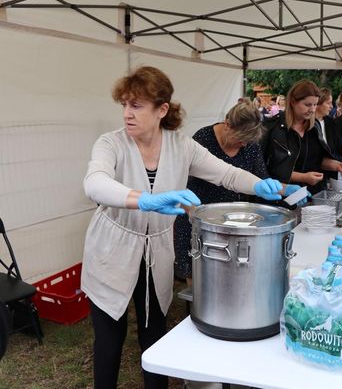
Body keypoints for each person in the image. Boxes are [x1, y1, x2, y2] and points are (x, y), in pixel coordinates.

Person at [81, 66, 289, 389]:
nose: (127, 113)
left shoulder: (181, 146)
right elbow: (94, 183)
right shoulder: (111, 143)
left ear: (162, 109)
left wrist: (258, 184)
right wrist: (144, 200)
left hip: (157, 252)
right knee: (109, 341)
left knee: (155, 336)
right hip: (113, 250)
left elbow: (226, 173)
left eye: (136, 105)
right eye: (124, 105)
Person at [174, 103, 303, 283]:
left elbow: (259, 179)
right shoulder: (202, 139)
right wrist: (193, 213)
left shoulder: (250, 145)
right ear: (228, 125)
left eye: (248, 141)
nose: (244, 144)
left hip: (232, 222)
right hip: (197, 218)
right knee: (198, 276)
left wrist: (285, 189)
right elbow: (187, 179)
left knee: (229, 277)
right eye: (241, 139)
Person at [260, 79, 342, 195]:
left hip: (312, 195)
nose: (312, 110)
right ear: (293, 102)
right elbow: (270, 168)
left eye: (315, 104)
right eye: (307, 105)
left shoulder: (314, 128)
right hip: (281, 195)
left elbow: (317, 160)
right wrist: (303, 177)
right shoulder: (273, 127)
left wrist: (338, 165)